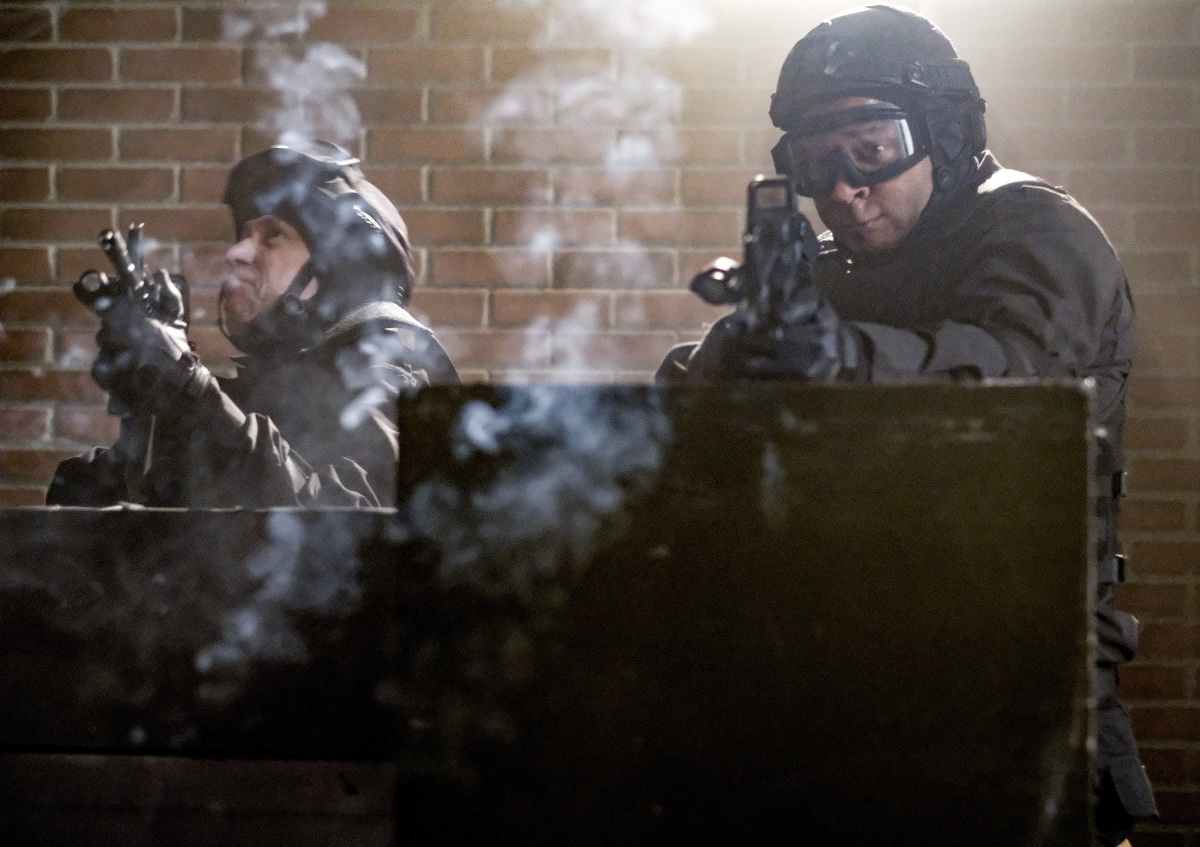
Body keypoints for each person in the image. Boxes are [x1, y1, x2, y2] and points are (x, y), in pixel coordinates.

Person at [657, 5, 1156, 845]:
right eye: (815, 162)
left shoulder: (1037, 231)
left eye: (873, 149)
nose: (843, 189)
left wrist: (830, 357)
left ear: (944, 134)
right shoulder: (835, 272)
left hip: (1010, 695)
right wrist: (733, 355)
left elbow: (1008, 369)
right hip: (840, 705)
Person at [47, 139, 459, 509]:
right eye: (244, 234)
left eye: (273, 235)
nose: (237, 252)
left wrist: (193, 389)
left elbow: (346, 525)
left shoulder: (392, 368)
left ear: (335, 267)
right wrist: (153, 399)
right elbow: (135, 518)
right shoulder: (265, 391)